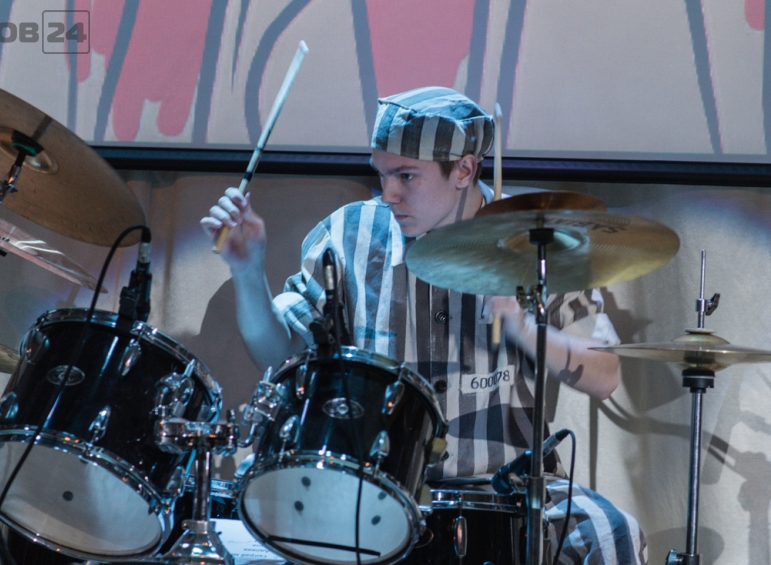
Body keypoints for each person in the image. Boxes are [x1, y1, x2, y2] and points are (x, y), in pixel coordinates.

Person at [201, 86, 647, 565]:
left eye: (406, 176)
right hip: (374, 482)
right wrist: (248, 272)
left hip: (507, 486)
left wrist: (522, 327)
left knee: (611, 533)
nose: (388, 193)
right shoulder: (349, 234)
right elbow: (281, 354)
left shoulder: (537, 238)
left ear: (464, 170)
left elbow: (604, 376)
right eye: (382, 174)